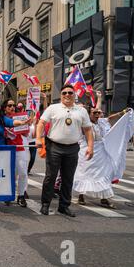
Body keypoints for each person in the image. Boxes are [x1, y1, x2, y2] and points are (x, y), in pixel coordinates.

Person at [36, 84, 94, 217]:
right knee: (50, 177)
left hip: (73, 148)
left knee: (68, 178)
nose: (67, 95)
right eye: (64, 93)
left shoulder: (82, 111)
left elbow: (88, 130)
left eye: (70, 93)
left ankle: (64, 206)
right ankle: (45, 204)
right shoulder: (53, 108)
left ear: (75, 95)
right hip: (54, 146)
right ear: (61, 95)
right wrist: (39, 139)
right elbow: (41, 123)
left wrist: (90, 147)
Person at [74, 105, 130, 208]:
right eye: (94, 113)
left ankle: (104, 198)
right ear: (88, 114)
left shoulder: (101, 122)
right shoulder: (84, 124)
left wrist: (122, 112)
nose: (97, 115)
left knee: (103, 175)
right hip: (86, 151)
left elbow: (110, 118)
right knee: (84, 174)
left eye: (98, 113)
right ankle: (81, 196)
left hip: (101, 152)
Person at [2, 99, 30, 208]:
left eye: (14, 106)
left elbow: (26, 135)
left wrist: (26, 126)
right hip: (6, 149)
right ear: (5, 108)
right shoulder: (0, 119)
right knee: (9, 174)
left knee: (23, 173)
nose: (12, 107)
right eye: (9, 105)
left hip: (19, 148)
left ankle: (21, 196)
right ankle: (8, 195)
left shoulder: (20, 117)